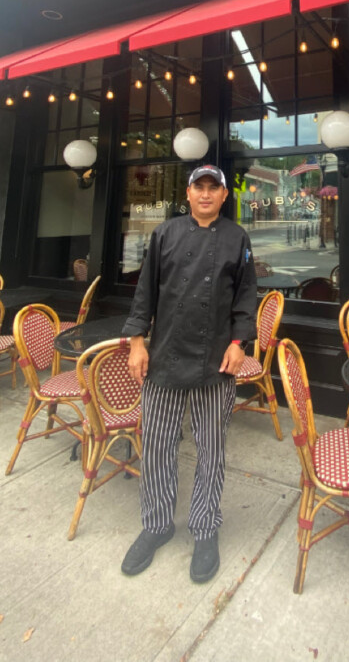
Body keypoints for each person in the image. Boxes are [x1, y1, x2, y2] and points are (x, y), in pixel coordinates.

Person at [120, 163, 257, 582]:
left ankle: (205, 529)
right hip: (164, 358)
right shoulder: (166, 233)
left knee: (210, 452)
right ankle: (157, 525)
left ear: (223, 195)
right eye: (199, 187)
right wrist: (137, 341)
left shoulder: (237, 237)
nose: (206, 194)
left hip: (217, 362)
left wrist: (239, 344)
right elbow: (146, 291)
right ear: (189, 192)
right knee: (158, 446)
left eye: (213, 188)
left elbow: (247, 296)